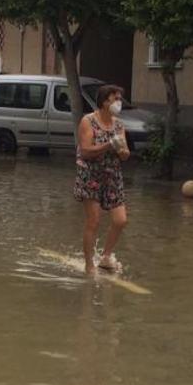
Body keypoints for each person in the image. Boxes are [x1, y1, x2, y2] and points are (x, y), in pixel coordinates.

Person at [73, 84, 130, 275]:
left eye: (120, 99)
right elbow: (86, 150)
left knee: (120, 220)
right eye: (116, 99)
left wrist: (122, 151)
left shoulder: (119, 125)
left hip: (112, 175)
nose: (119, 103)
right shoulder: (88, 121)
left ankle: (106, 257)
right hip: (91, 175)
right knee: (94, 221)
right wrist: (108, 144)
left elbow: (125, 153)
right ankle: (89, 265)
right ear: (105, 102)